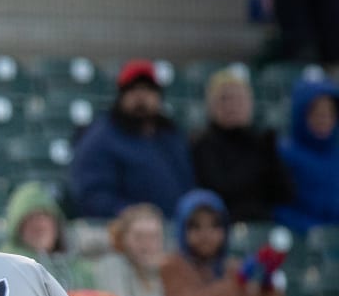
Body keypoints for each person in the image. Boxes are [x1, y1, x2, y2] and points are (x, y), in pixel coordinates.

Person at [161, 189, 288, 296]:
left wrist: (268, 288)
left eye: (215, 225)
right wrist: (238, 282)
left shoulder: (232, 268)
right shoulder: (170, 267)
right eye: (195, 226)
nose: (206, 235)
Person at [69, 59, 195, 222]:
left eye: (148, 90)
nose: (141, 97)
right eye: (133, 89)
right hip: (125, 234)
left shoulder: (170, 135)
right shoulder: (100, 138)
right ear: (121, 96)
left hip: (173, 229)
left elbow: (188, 186)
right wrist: (129, 213)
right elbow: (92, 196)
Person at [89, 202, 205, 296]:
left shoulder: (165, 269)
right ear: (124, 238)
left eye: (153, 237)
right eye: (139, 236)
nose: (146, 244)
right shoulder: (113, 265)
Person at [190, 67, 294, 224]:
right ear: (211, 106)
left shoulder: (262, 143)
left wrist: (270, 155)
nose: (232, 105)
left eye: (238, 99)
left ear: (250, 104)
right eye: (224, 99)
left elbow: (285, 193)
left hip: (263, 224)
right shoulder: (202, 145)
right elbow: (220, 190)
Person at [274, 75, 339, 234]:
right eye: (317, 113)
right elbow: (278, 208)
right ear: (301, 115)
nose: (324, 119)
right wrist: (313, 230)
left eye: (329, 114)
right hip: (300, 242)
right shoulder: (284, 154)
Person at [0, 181, 91, 289]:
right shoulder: (6, 268)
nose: (40, 225)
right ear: (17, 228)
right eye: (31, 218)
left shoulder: (80, 271)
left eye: (44, 216)